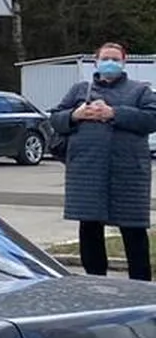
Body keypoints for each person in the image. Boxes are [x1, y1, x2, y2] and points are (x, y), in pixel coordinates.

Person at [50, 41, 156, 280]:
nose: (110, 63)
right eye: (105, 58)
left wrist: (114, 113)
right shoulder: (79, 90)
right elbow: (54, 119)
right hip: (87, 172)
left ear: (124, 62)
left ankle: (141, 288)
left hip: (128, 173)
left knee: (133, 231)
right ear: (96, 62)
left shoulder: (140, 90)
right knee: (89, 229)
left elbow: (151, 119)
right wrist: (75, 115)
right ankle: (95, 283)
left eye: (115, 59)